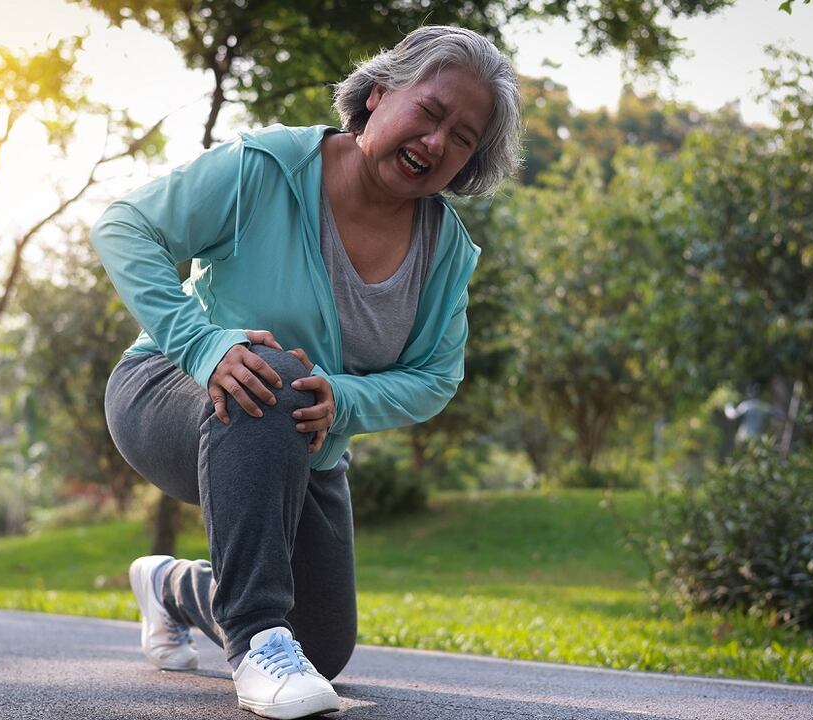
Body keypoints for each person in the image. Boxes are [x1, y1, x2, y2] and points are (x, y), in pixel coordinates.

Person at [92, 25, 522, 720]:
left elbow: (436, 376)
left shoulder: (445, 251)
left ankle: (173, 586)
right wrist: (203, 346)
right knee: (274, 371)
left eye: (463, 137)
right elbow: (124, 226)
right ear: (380, 93)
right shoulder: (264, 167)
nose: (438, 142)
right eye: (431, 112)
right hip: (167, 391)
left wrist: (343, 398)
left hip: (305, 440)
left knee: (322, 646)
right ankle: (257, 642)